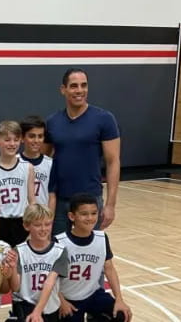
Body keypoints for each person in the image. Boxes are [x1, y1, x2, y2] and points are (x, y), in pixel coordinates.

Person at [45, 68, 120, 235]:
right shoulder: (52, 122)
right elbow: (42, 160)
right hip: (59, 201)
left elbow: (113, 162)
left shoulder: (104, 119)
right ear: (63, 90)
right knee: (58, 254)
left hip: (90, 201)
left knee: (89, 254)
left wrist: (110, 205)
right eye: (73, 86)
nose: (79, 90)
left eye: (83, 85)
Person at [56, 193, 132, 322]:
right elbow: (50, 279)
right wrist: (61, 301)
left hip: (93, 295)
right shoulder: (60, 242)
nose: (90, 218)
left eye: (94, 213)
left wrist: (119, 299)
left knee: (121, 314)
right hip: (69, 299)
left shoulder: (101, 238)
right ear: (72, 216)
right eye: (84, 214)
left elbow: (109, 269)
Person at [9, 204, 68, 322]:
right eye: (37, 225)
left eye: (47, 224)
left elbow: (49, 283)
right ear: (26, 226)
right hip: (24, 305)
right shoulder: (19, 250)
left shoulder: (59, 251)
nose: (43, 229)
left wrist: (37, 311)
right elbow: (15, 287)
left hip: (49, 307)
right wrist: (12, 269)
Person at [0, 120, 35, 247]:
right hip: (0, 222)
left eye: (16, 140)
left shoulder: (27, 167)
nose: (12, 144)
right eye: (7, 140)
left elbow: (32, 201)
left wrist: (32, 230)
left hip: (21, 222)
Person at [19, 116, 53, 209]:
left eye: (40, 136)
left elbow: (52, 196)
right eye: (31, 136)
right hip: (19, 217)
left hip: (42, 218)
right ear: (22, 138)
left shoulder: (51, 164)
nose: (36, 141)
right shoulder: (14, 162)